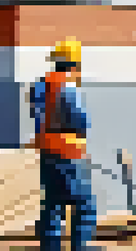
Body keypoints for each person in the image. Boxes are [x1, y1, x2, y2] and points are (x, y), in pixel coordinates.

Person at [31, 37, 95, 251]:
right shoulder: (67, 85)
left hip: (47, 153)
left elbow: (38, 114)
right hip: (69, 152)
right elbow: (80, 119)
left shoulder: (41, 85)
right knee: (84, 206)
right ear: (74, 63)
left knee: (52, 206)